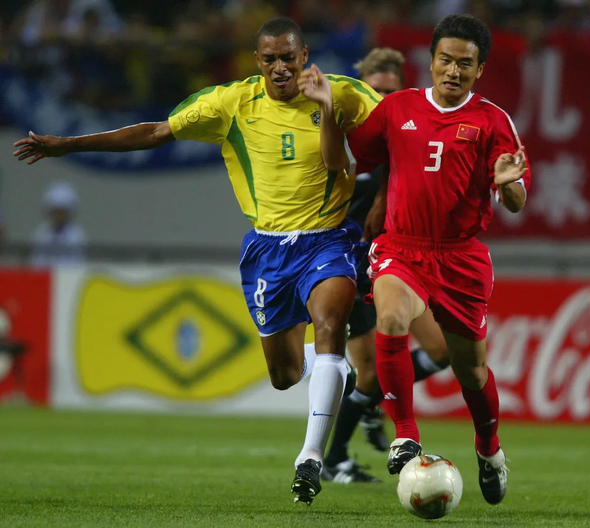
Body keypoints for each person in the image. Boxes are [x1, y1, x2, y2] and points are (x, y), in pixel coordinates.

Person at [13, 17, 381, 506]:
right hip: (269, 249)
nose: (280, 68)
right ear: (257, 61)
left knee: (331, 323)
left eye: (288, 58)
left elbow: (402, 132)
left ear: (305, 56)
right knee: (285, 375)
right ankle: (330, 367)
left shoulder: (344, 94)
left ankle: (311, 456)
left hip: (329, 237)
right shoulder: (231, 102)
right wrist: (68, 145)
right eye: (270, 59)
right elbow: (156, 132)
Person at [346, 14, 531, 505]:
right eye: (445, 60)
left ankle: (489, 449)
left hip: (459, 259)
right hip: (401, 246)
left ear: (479, 69)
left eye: (464, 64)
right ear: (430, 61)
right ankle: (406, 435)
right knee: (390, 317)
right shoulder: (397, 108)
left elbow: (515, 201)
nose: (453, 71)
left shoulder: (492, 121)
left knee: (471, 373)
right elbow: (355, 157)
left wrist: (508, 182)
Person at [321, 48, 451, 485]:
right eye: (374, 91)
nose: (380, 101)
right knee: (370, 373)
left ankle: (376, 400)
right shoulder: (343, 140)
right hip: (349, 265)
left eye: (389, 93)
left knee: (441, 350)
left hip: (396, 260)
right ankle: (335, 459)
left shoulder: (405, 136)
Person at [30, 181, 87, 267]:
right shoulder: (41, 234)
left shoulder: (77, 236)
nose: (59, 216)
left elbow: (77, 264)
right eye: (56, 212)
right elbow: (36, 262)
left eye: (62, 212)